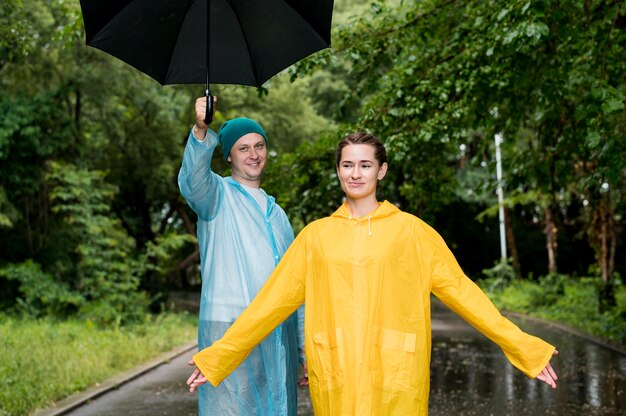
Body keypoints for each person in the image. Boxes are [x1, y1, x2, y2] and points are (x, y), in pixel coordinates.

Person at [186, 132, 558, 415]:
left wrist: (524, 347)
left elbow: (464, 293)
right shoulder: (316, 236)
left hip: (396, 377)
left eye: (365, 165)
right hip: (338, 377)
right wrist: (218, 356)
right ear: (338, 171)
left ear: (381, 170)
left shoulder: (412, 232)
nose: (355, 173)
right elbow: (269, 304)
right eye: (347, 165)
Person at [178, 97, 304, 416]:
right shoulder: (216, 197)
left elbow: (296, 286)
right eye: (243, 148)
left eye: (259, 146)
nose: (253, 154)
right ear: (229, 156)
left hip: (277, 331)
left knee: (277, 407)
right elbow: (192, 182)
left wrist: (302, 351)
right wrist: (201, 128)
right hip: (228, 326)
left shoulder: (279, 216)